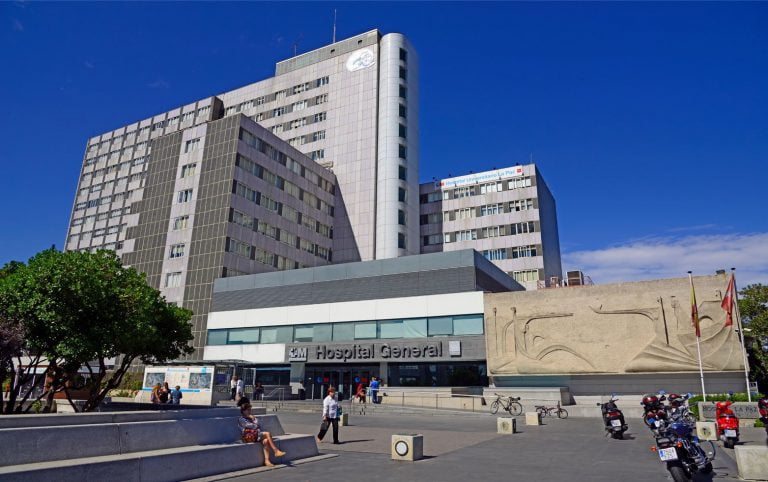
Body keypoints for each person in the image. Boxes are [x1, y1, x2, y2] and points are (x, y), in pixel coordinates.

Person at [238, 402, 286, 467]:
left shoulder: (251, 417)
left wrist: (253, 419)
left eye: (250, 410)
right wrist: (253, 420)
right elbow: (253, 426)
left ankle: (267, 461)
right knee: (267, 433)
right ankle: (276, 450)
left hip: (255, 435)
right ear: (243, 411)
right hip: (248, 437)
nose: (250, 411)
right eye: (248, 410)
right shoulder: (241, 419)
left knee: (266, 441)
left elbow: (257, 424)